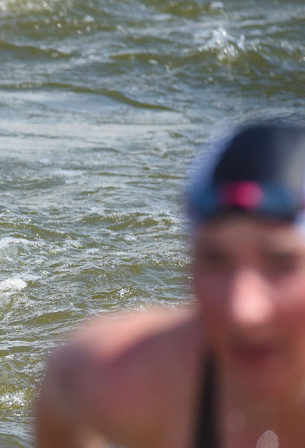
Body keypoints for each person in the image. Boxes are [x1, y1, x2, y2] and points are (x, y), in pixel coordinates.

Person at [34, 119, 305, 447]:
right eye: (215, 260)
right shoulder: (122, 377)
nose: (242, 309)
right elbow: (65, 391)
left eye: (280, 264)